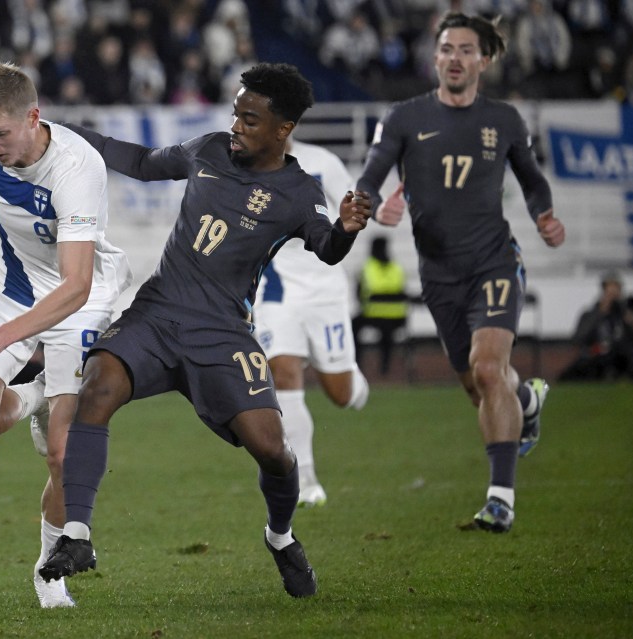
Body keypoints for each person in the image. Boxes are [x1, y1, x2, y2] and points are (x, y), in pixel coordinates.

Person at [37, 62, 372, 599]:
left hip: (223, 335)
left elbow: (326, 247)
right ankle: (77, 535)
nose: (236, 125)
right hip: (158, 312)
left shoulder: (297, 189)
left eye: (250, 118)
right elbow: (143, 162)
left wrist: (346, 230)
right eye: (236, 113)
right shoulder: (210, 149)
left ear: (283, 129)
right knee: (95, 385)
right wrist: (61, 135)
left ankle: (280, 536)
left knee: (274, 451)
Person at [0, 40, 132, 608]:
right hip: (7, 289)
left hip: (76, 298)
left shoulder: (76, 168)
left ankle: (48, 573)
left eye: (1, 136)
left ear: (34, 119)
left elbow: (77, 285)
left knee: (62, 453)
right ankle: (37, 394)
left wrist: (0, 338)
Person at [355, 12, 567, 533]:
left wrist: (543, 214)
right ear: (435, 58)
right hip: (439, 275)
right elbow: (372, 172)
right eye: (447, 48)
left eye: (466, 49)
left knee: (490, 368)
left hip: (494, 261)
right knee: (479, 386)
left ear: (484, 60)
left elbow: (533, 179)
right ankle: (526, 400)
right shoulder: (404, 117)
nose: (455, 58)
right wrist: (373, 204)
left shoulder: (505, 120)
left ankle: (500, 500)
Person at [253, 134, 370, 508]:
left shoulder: (323, 162)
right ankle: (306, 479)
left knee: (340, 394)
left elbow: (354, 211)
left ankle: (352, 379)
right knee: (283, 373)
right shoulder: (244, 165)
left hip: (323, 291)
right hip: (275, 293)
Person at [558, 271, 633, 380]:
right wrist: (600, 313)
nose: (613, 292)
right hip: (597, 357)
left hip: (623, 358)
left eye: (616, 288)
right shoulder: (590, 314)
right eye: (609, 288)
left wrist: (631, 322)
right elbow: (579, 338)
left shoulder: (625, 314)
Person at [352, 235, 408, 377]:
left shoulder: (367, 268)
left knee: (353, 326)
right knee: (387, 335)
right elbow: (401, 291)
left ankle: (357, 362)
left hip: (373, 315)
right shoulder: (397, 268)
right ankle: (385, 367)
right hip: (397, 317)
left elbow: (359, 295)